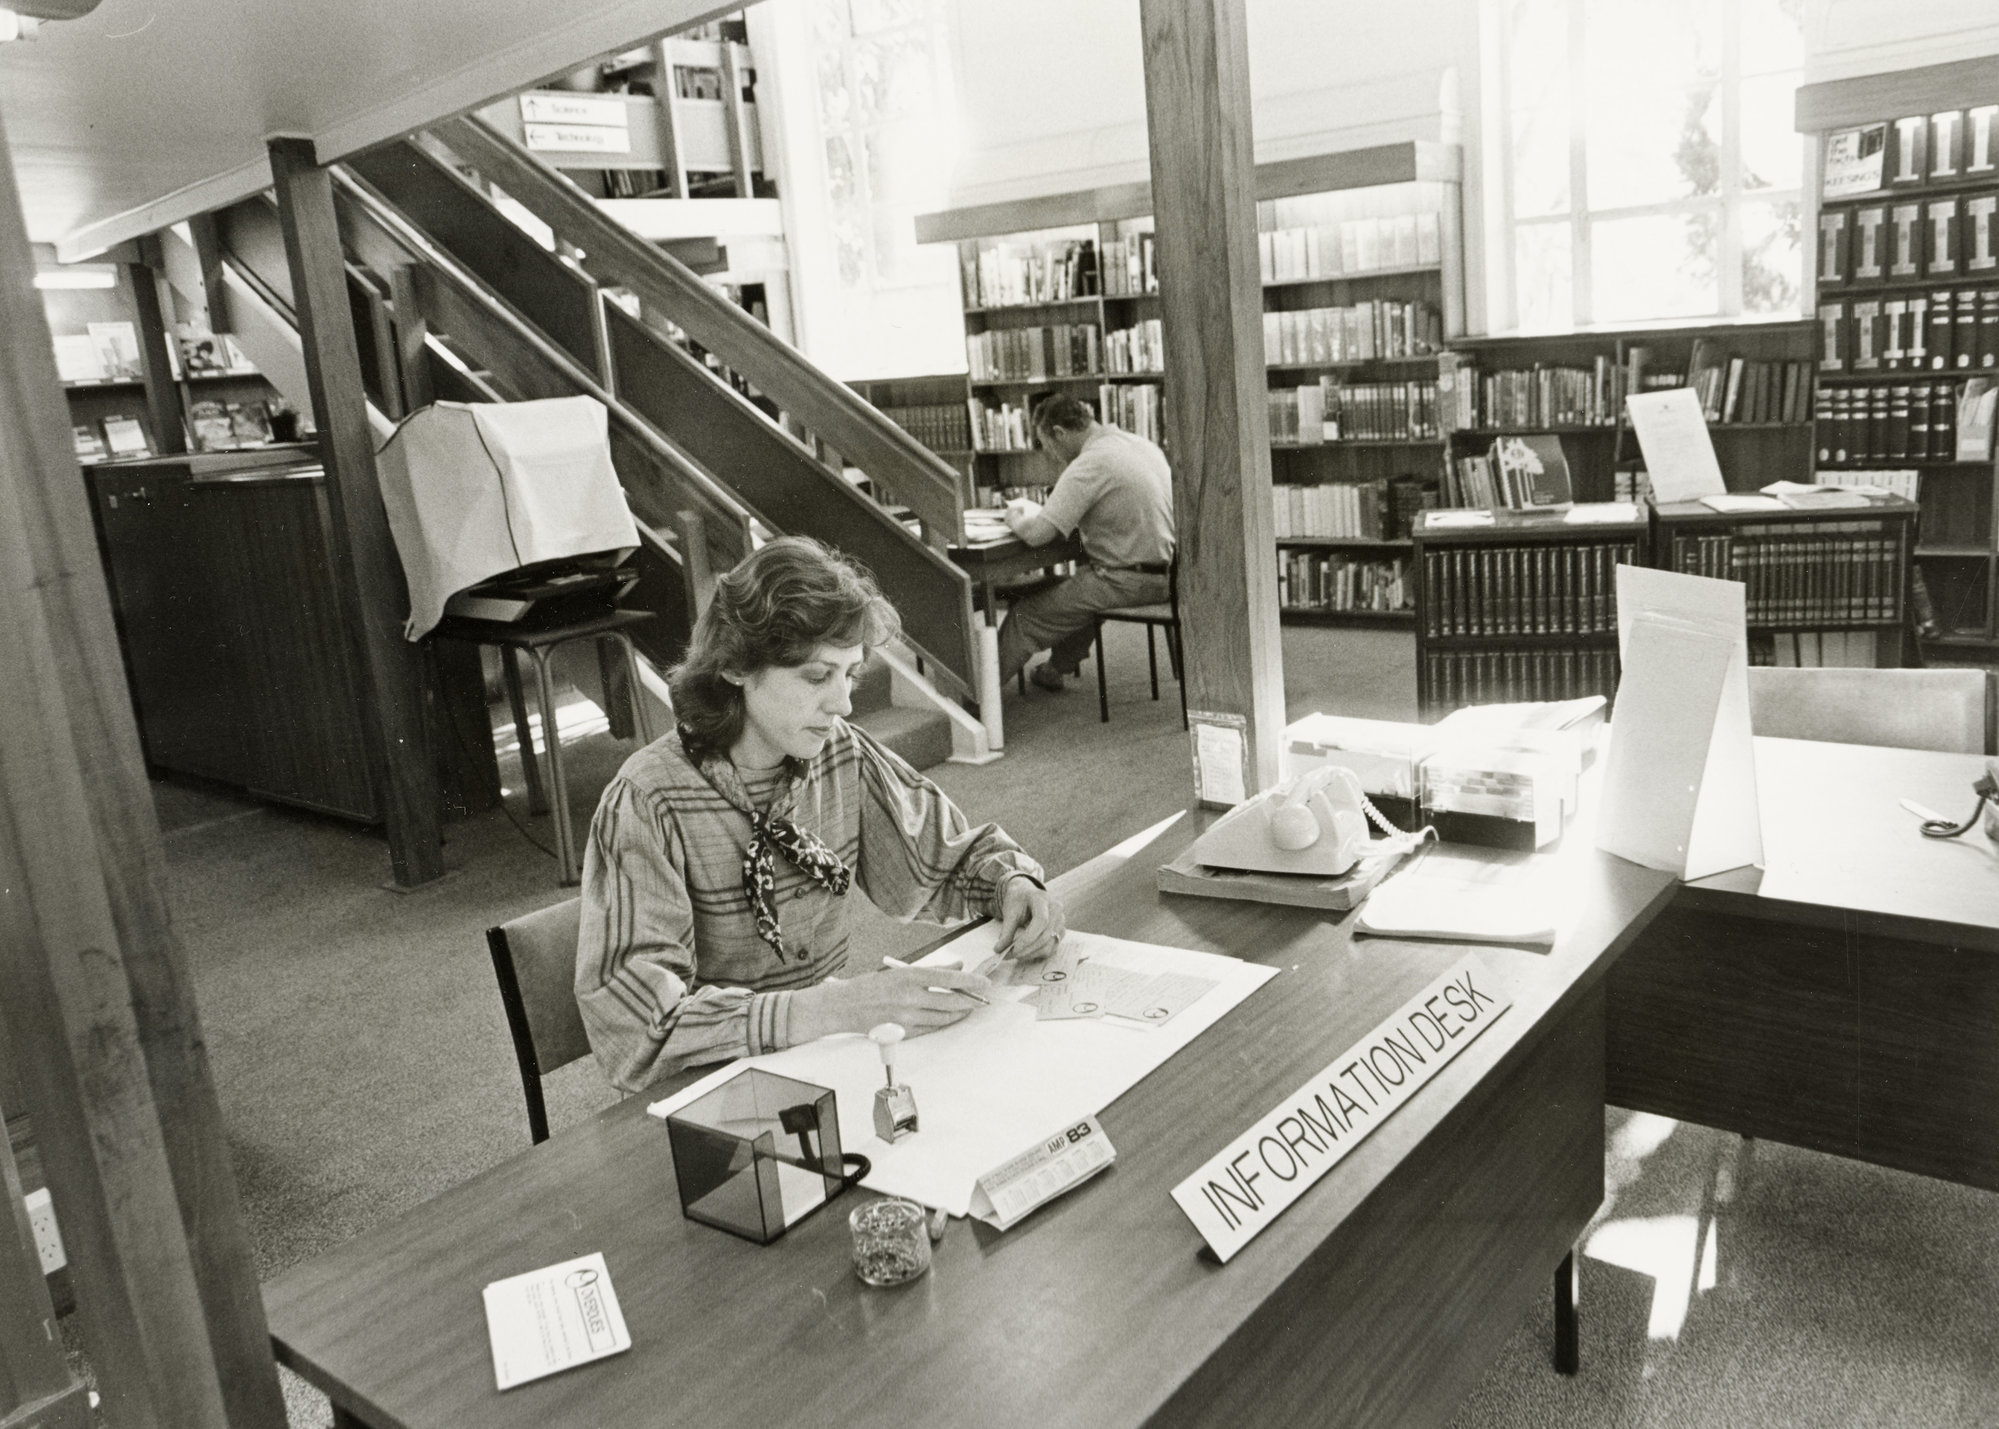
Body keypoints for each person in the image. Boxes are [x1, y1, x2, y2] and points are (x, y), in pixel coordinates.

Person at [576, 536, 1066, 1093]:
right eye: (816, 677)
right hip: (712, 1093)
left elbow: (947, 859)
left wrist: (1013, 883)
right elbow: (640, 1028)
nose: (843, 704)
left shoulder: (839, 752)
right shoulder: (645, 800)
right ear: (736, 666)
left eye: (850, 675)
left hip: (827, 1066)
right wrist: (833, 1008)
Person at [997, 394, 1175, 691]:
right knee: (1077, 588)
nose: (1051, 454)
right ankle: (1055, 669)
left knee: (1022, 616)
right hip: (1168, 577)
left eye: (1048, 445)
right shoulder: (1141, 445)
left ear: (1059, 433)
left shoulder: (1090, 463)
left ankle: (976, 704)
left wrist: (1014, 518)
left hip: (1123, 583)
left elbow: (1038, 535)